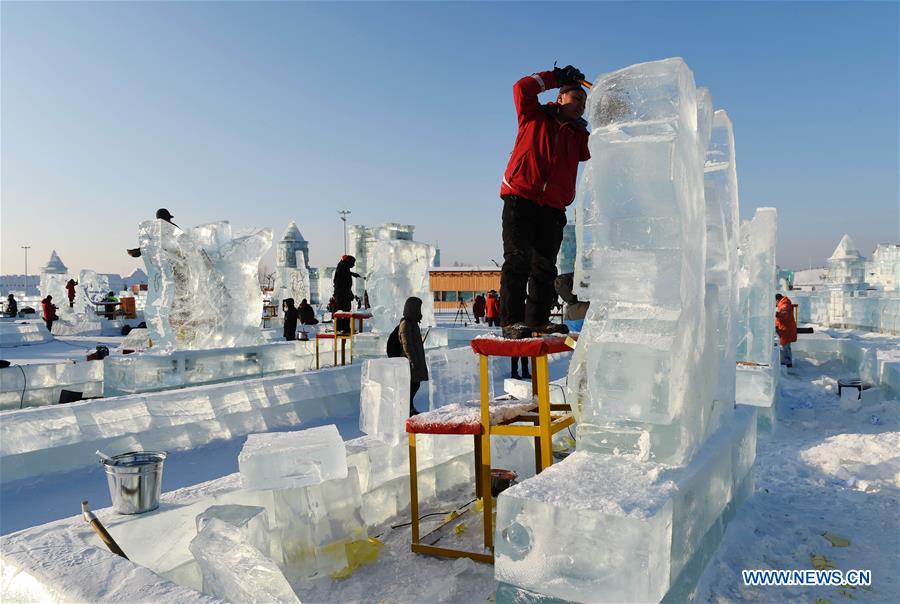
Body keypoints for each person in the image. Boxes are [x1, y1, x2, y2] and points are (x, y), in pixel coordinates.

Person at [499, 65, 590, 339]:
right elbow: (521, 88)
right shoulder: (534, 115)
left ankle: (537, 320)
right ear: (560, 98)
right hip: (521, 197)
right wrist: (555, 78)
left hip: (553, 207)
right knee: (518, 260)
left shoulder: (579, 137)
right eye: (577, 98)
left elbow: (595, 149)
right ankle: (511, 321)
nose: (581, 105)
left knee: (545, 267)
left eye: (585, 103)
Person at [390, 296, 428, 416]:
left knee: (415, 384)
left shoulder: (413, 323)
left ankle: (410, 407)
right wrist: (412, 360)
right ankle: (407, 409)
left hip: (414, 359)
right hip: (408, 361)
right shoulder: (406, 324)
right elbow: (407, 345)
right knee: (412, 385)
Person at [332, 255, 361, 334]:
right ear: (349, 261)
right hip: (342, 294)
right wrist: (349, 293)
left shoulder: (342, 266)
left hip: (341, 293)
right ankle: (343, 329)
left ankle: (343, 328)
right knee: (344, 311)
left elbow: (345, 273)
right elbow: (344, 284)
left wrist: (352, 274)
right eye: (353, 263)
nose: (353, 265)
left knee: (343, 311)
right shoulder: (343, 267)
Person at [775, 293, 797, 368]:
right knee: (785, 346)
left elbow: (784, 315)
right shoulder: (783, 303)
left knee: (784, 346)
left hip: (786, 329)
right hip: (785, 328)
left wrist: (776, 314)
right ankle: (787, 362)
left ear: (777, 300)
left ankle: (786, 363)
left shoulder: (785, 304)